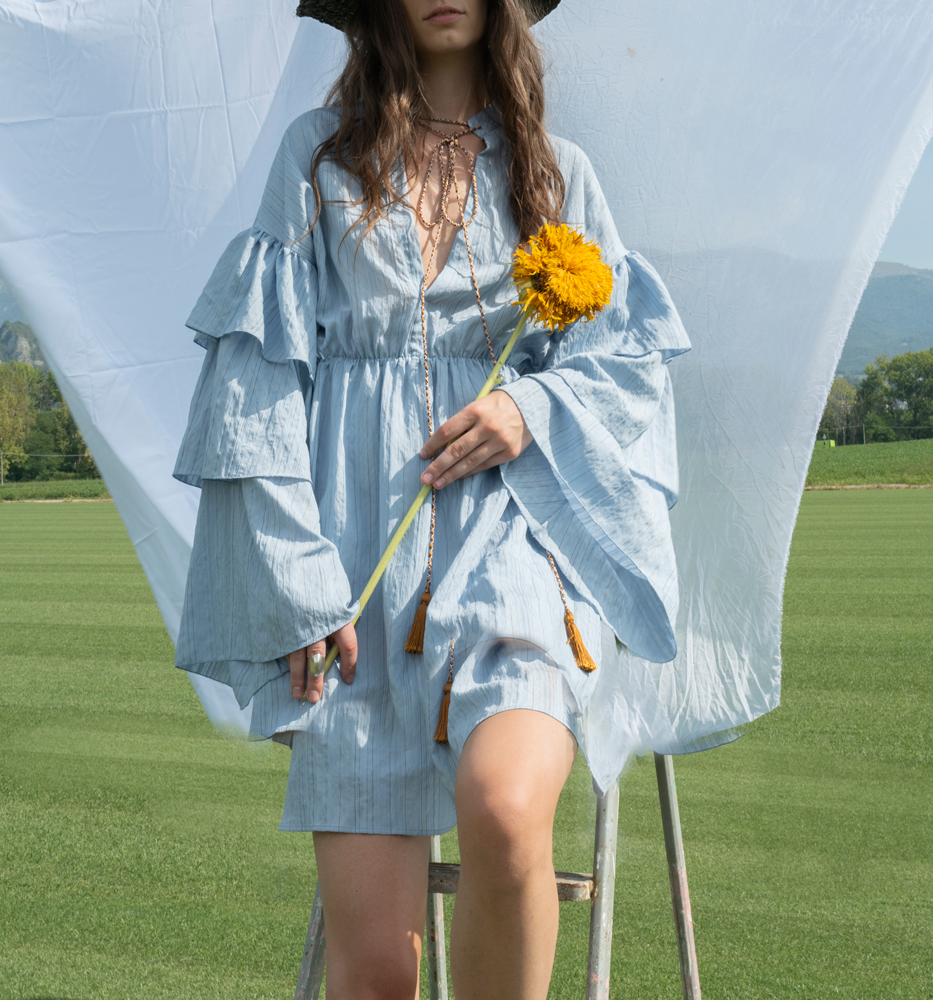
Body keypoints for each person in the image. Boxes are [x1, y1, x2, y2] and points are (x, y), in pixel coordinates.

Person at [173, 0, 690, 996]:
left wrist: (529, 406)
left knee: (505, 811)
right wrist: (299, 588)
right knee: (375, 969)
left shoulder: (559, 175)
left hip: (515, 551)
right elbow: (257, 388)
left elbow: (628, 371)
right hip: (353, 578)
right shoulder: (317, 161)